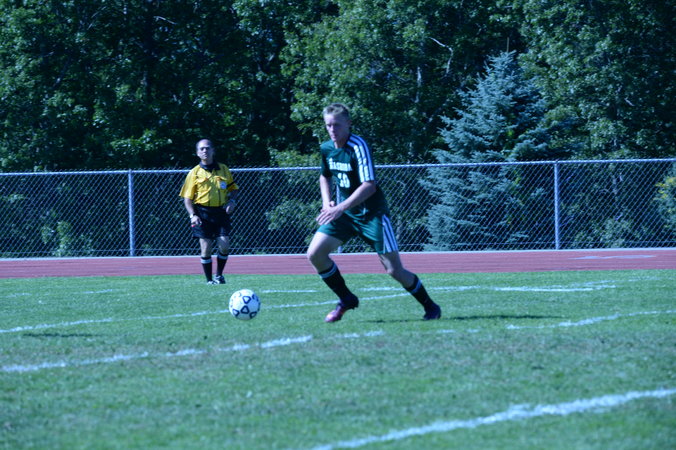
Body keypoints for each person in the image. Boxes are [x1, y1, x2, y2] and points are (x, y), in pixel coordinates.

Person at [307, 103, 442, 322]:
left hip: (372, 216)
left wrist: (339, 207)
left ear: (349, 123)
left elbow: (369, 185)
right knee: (315, 254)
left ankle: (431, 307)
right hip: (344, 215)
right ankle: (346, 299)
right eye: (328, 125)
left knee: (394, 270)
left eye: (337, 125)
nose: (332, 130)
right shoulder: (327, 148)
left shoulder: (358, 146)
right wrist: (327, 202)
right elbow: (325, 176)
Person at [179, 139, 239, 285]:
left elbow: (234, 189)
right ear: (197, 153)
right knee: (206, 248)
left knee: (224, 245)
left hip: (221, 212)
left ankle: (219, 275)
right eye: (201, 149)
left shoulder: (223, 169)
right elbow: (187, 198)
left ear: (213, 151)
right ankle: (209, 280)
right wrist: (192, 215)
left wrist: (232, 201)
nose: (205, 151)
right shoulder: (194, 173)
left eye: (207, 148)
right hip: (202, 213)